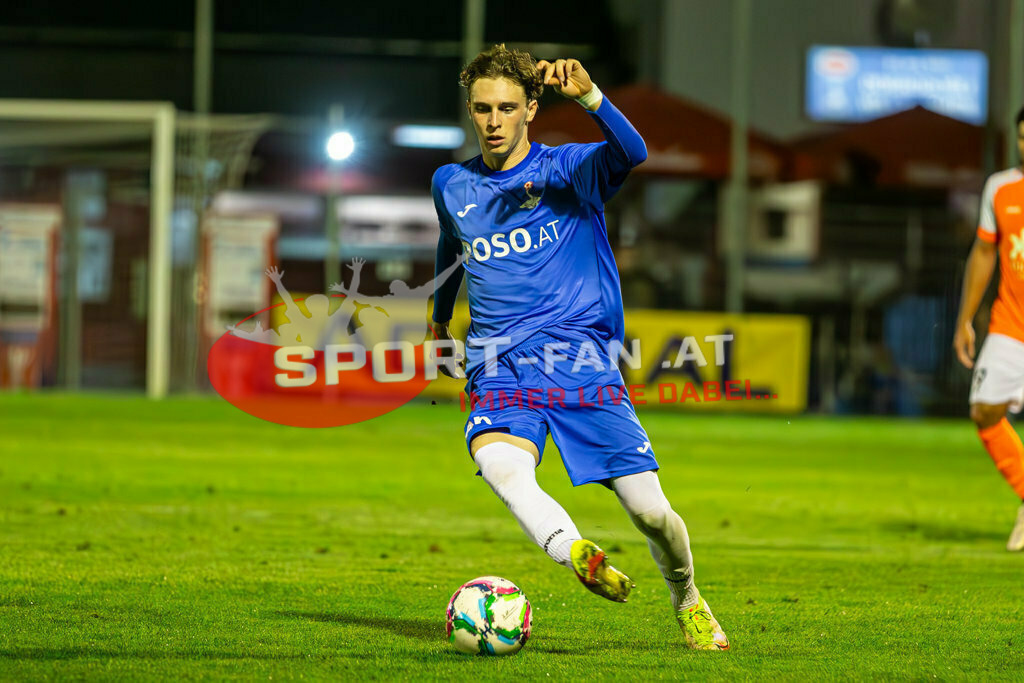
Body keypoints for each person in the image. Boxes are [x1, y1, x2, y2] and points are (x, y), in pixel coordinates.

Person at [428, 44, 729, 649]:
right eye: (482, 108)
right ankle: (576, 552)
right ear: (470, 109)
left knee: (649, 513)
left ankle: (687, 594)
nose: (492, 121)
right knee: (500, 466)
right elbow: (452, 246)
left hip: (577, 359)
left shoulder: (568, 170)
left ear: (530, 109)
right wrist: (437, 320)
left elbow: (633, 152)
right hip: (497, 362)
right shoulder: (451, 183)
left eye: (506, 108)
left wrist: (591, 97)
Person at [954, 106, 1024, 551]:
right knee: (984, 409)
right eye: (1023, 136)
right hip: (1010, 326)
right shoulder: (1000, 188)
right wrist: (964, 318)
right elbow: (984, 253)